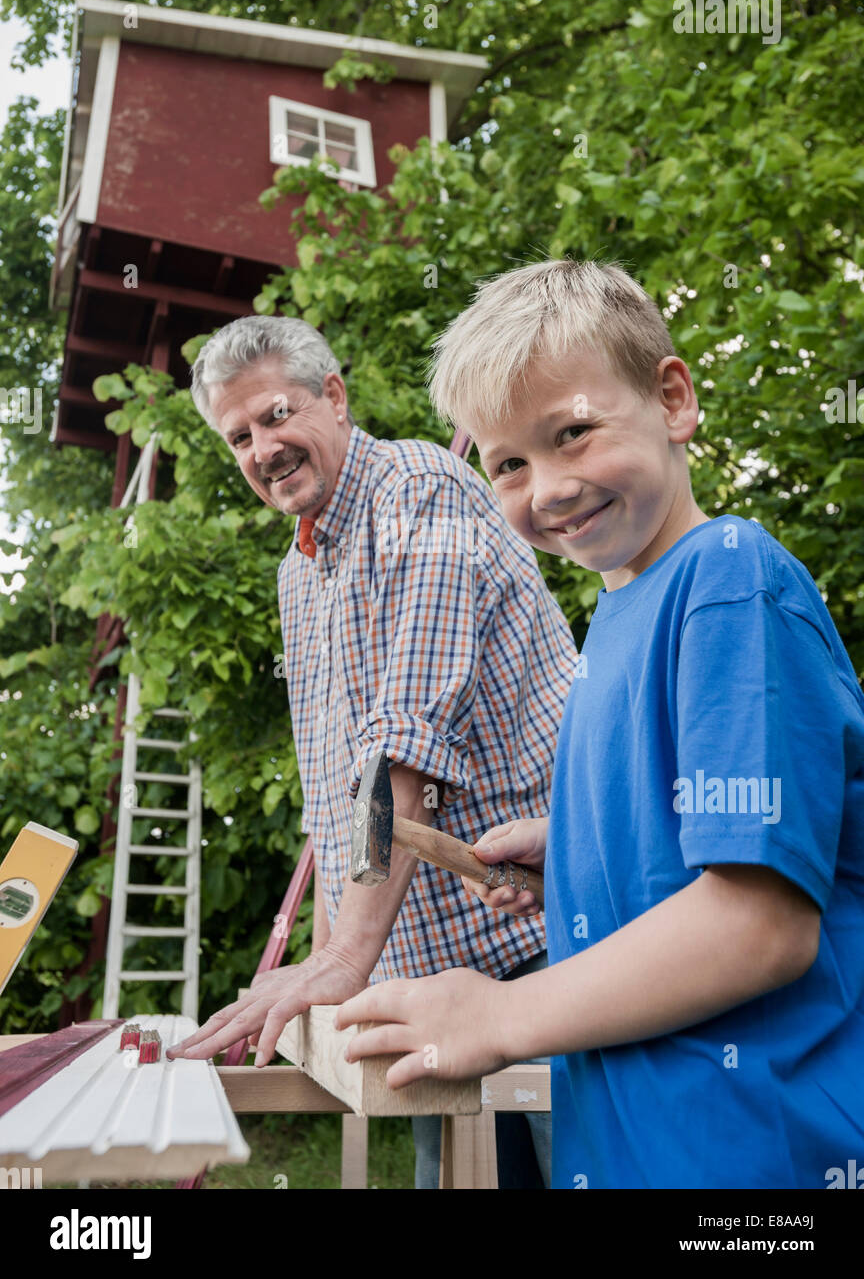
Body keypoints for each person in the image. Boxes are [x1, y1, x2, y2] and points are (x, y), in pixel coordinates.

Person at [334, 258, 864, 1189]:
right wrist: (576, 853)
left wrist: (499, 1015)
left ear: (672, 399)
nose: (548, 489)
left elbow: (759, 924)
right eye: (509, 463)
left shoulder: (727, 580)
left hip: (756, 1157)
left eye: (573, 433)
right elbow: (691, 843)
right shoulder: (616, 622)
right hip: (636, 1149)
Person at [167, 315, 579, 1188]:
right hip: (431, 975)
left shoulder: (419, 491)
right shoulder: (296, 569)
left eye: (278, 416)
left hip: (548, 934)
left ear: (336, 397)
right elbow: (336, 801)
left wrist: (345, 960)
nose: (264, 448)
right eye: (238, 436)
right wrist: (328, 968)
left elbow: (405, 750)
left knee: (590, 1174)